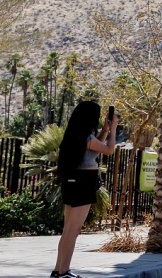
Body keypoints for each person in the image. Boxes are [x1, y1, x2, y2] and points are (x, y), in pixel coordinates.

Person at [51, 101, 118, 278]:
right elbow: (109, 150)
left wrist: (104, 130)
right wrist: (113, 130)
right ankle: (64, 271)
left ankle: (58, 270)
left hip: (72, 182)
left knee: (68, 230)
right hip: (83, 183)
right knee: (73, 230)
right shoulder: (87, 138)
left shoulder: (76, 135)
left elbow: (93, 150)